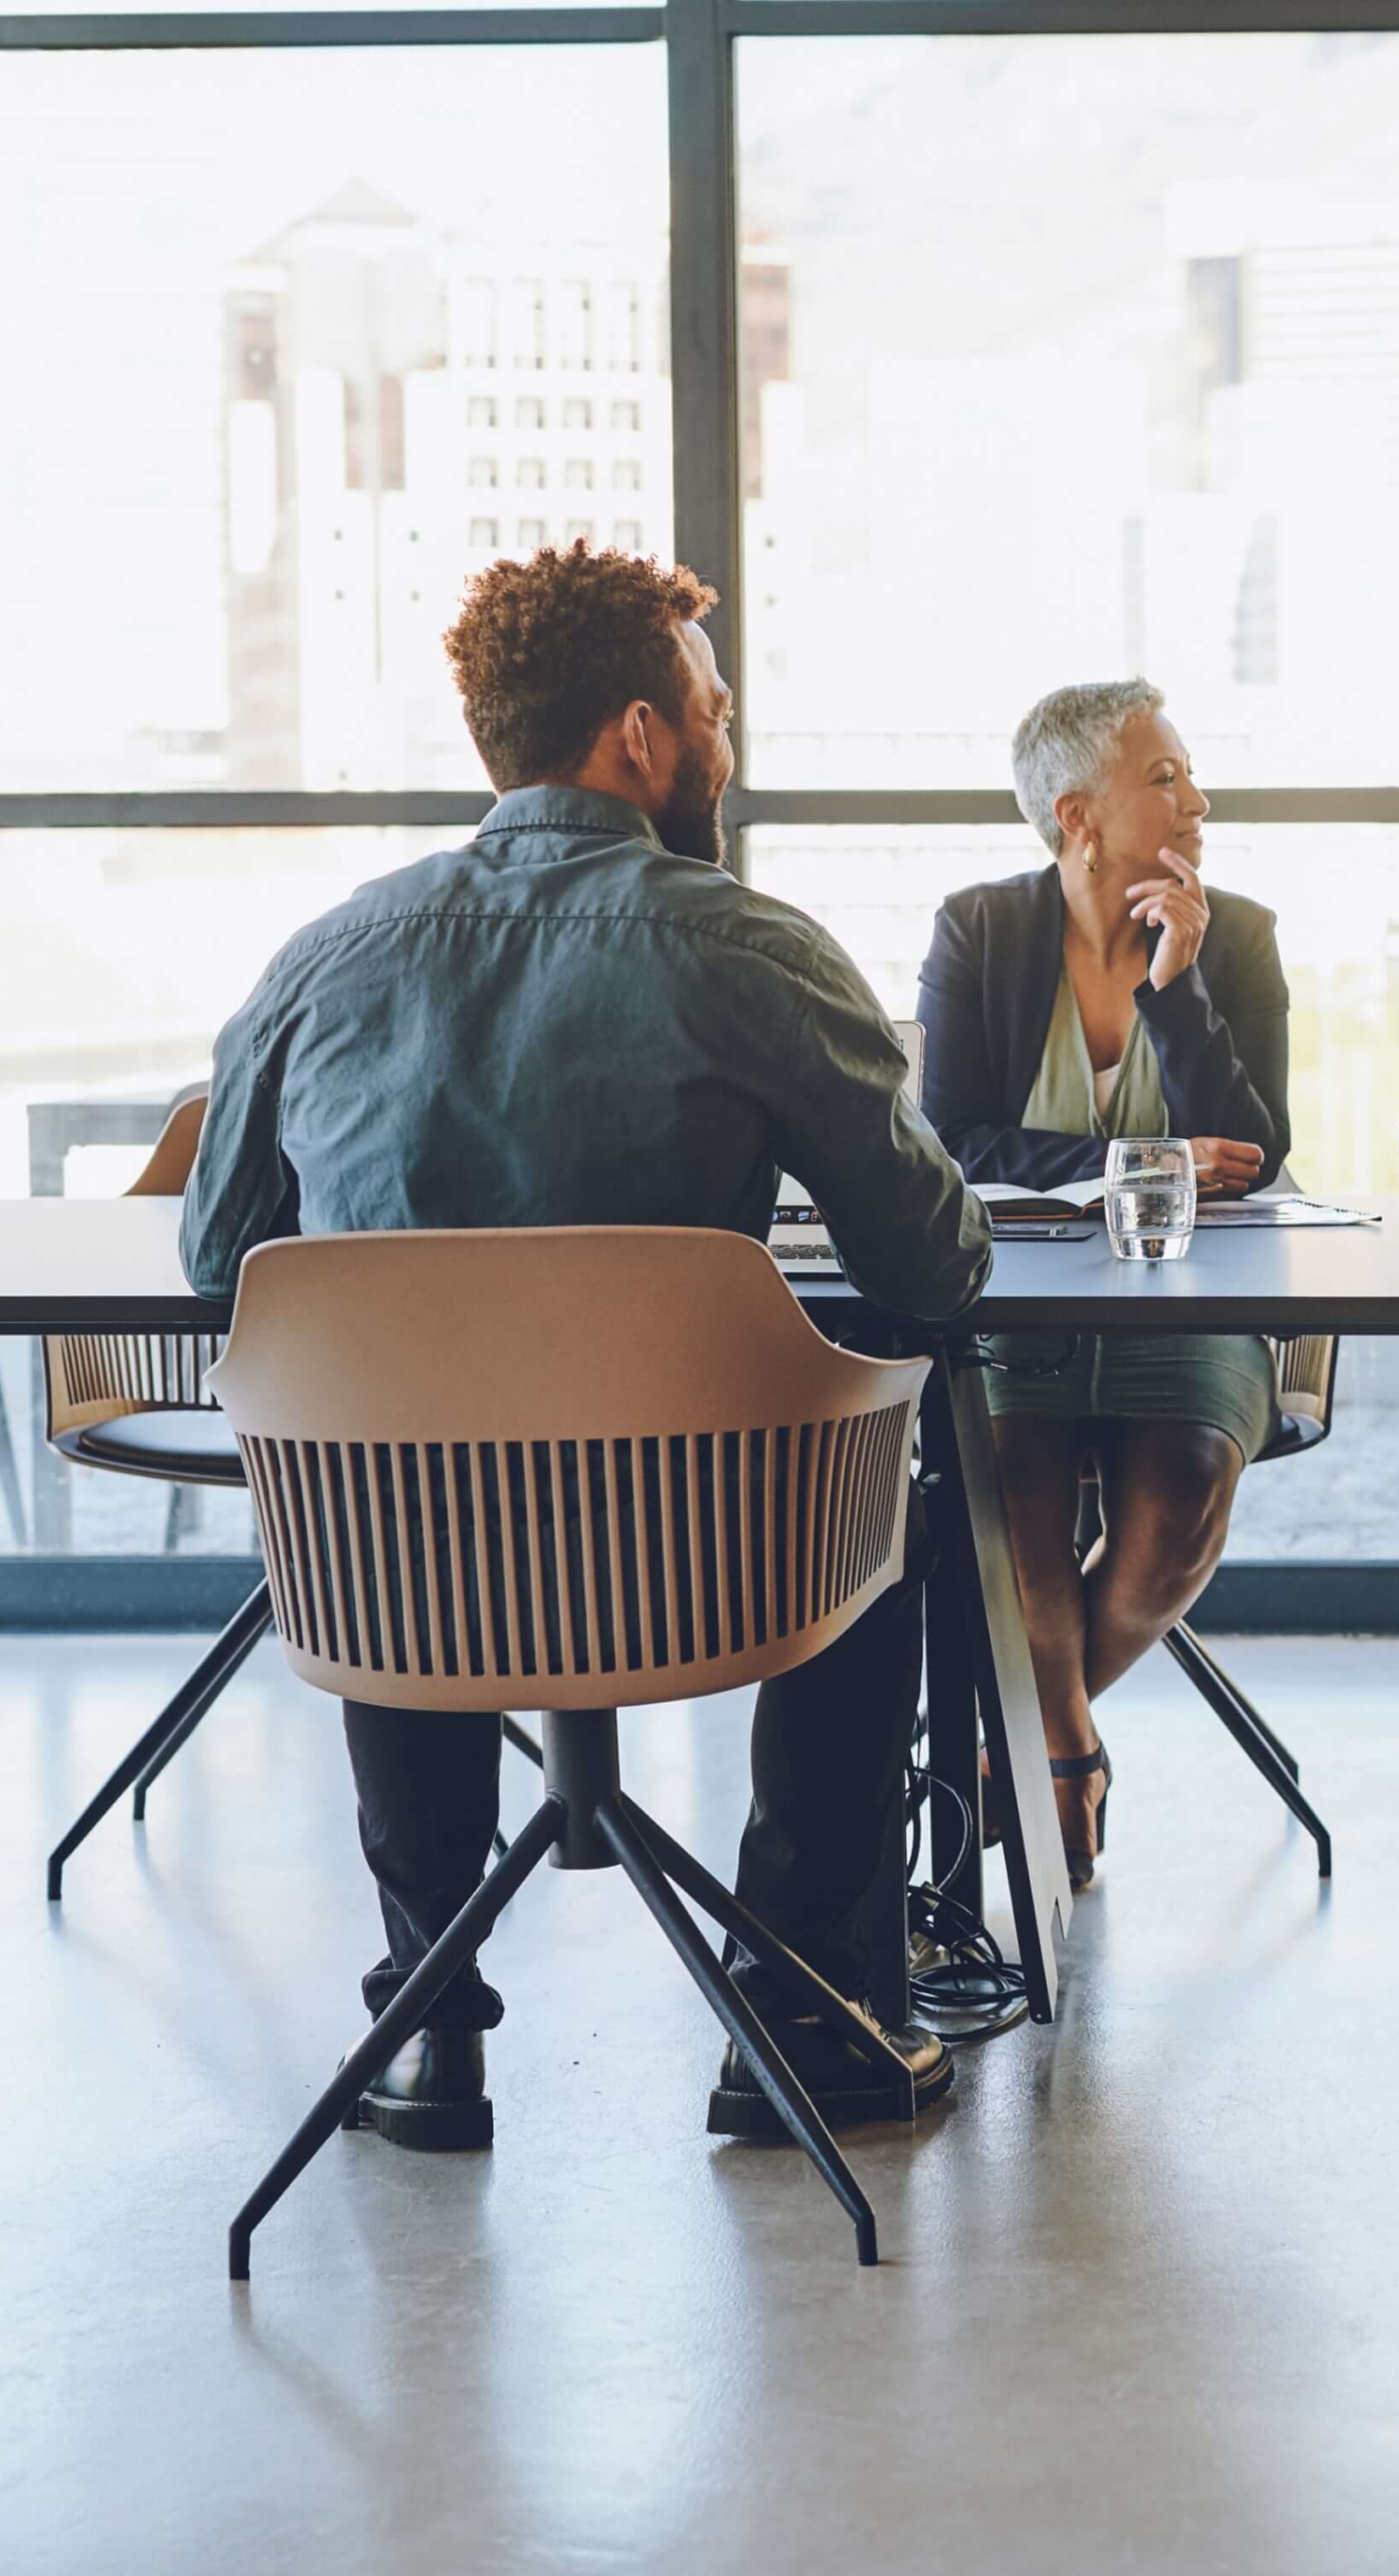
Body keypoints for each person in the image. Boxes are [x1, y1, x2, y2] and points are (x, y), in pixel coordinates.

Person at [184, 543, 990, 2157]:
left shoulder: (324, 959)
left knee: (393, 1457)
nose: (728, 739)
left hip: (397, 1584)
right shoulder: (750, 950)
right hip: (708, 1574)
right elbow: (932, 1266)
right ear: (639, 736)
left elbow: (223, 1261)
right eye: (714, 708)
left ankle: (424, 2024)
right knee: (876, 1463)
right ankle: (803, 2017)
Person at [915, 680, 1287, 1890]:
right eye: (1167, 777)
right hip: (1011, 1308)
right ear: (1077, 815)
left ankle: (1001, 1738)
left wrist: (1177, 988)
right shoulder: (978, 931)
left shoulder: (1238, 934)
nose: (1200, 798)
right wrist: (1143, 1162)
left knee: (1176, 1501)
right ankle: (1064, 1747)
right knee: (1012, 1500)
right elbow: (951, 1142)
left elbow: (1258, 1154)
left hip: (1192, 1305)